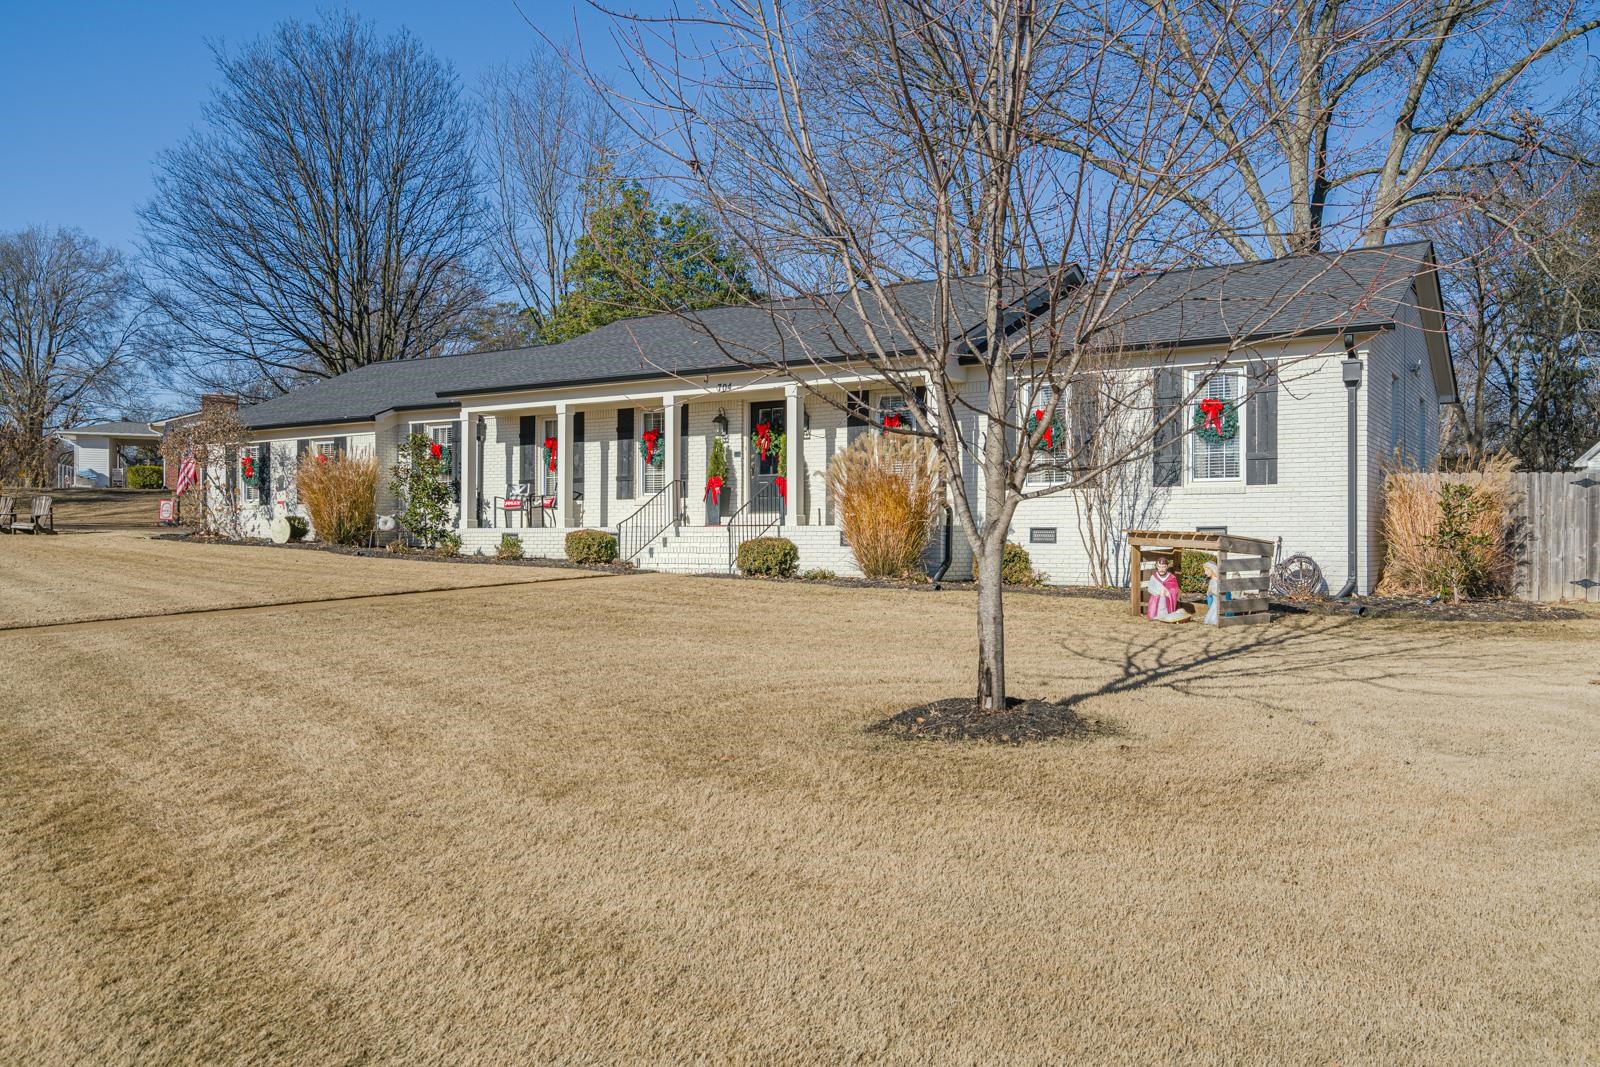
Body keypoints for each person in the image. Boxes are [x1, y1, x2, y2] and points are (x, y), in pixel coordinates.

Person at [1144, 553, 1185, 622]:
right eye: (1159, 567)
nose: (1161, 569)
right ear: (1157, 566)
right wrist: (1159, 593)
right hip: (1156, 599)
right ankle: (1155, 615)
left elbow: (1175, 590)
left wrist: (1167, 592)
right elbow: (1150, 588)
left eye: (1163, 567)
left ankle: (1166, 615)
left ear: (1167, 567)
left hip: (1167, 599)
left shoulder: (1171, 577)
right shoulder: (1154, 577)